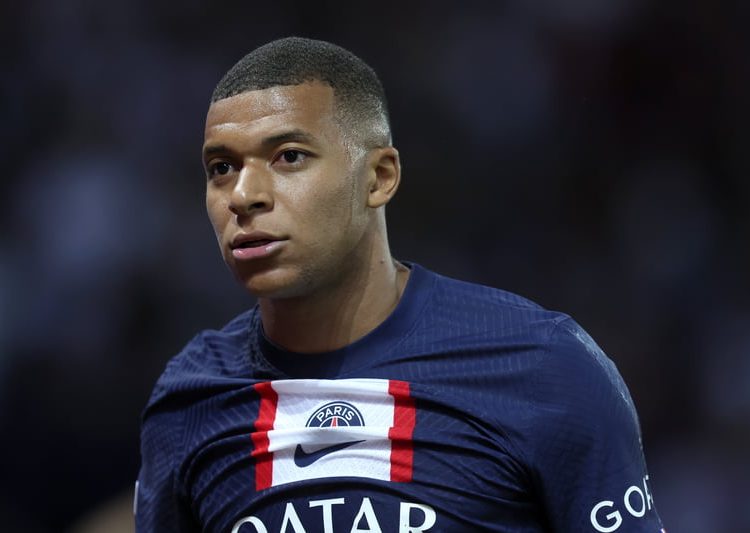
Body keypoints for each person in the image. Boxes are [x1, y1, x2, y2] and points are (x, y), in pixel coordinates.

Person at [136, 37, 665, 532]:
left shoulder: (543, 367)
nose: (243, 195)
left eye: (289, 156)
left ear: (379, 177)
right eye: (222, 167)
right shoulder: (191, 398)